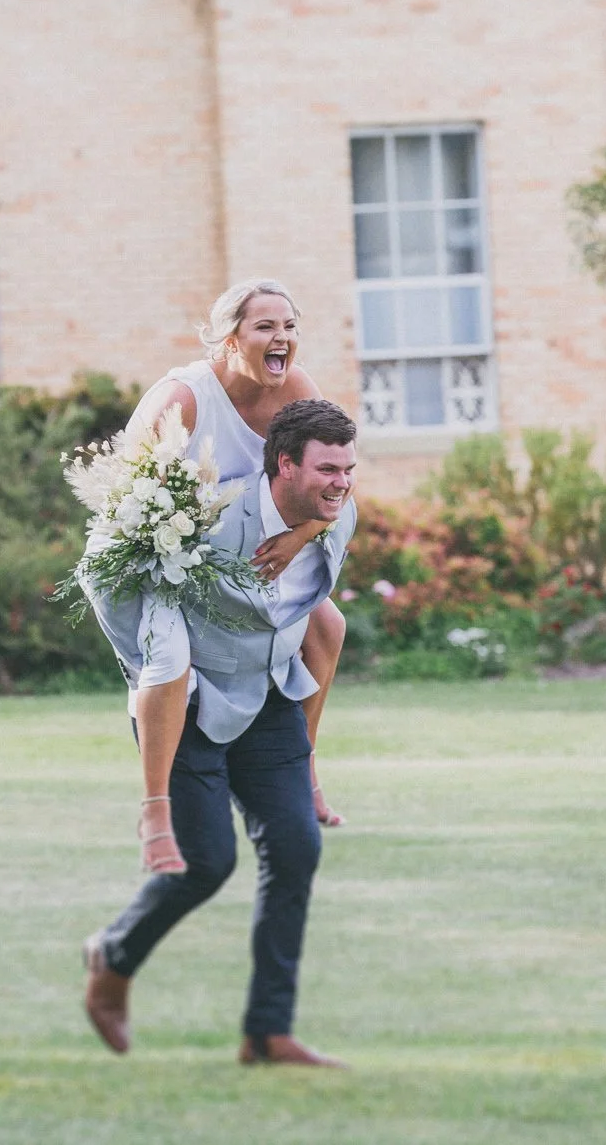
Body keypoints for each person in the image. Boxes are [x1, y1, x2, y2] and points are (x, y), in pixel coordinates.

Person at [84, 399, 360, 1067]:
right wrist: (151, 662)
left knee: (295, 848)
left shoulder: (335, 513)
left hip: (269, 699)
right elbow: (100, 570)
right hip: (189, 702)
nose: (342, 483)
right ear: (284, 463)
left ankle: (266, 1032)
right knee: (206, 862)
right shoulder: (207, 515)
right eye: (327, 468)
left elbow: (321, 608)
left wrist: (310, 529)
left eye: (350, 469)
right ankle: (112, 955)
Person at [111, 279, 349, 877]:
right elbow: (120, 504)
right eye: (267, 326)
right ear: (228, 337)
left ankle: (306, 767)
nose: (283, 338)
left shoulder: (296, 388)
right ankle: (156, 810)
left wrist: (303, 534)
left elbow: (331, 480)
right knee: (171, 660)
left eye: (290, 326)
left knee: (325, 625)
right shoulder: (183, 400)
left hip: (251, 556)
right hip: (162, 562)